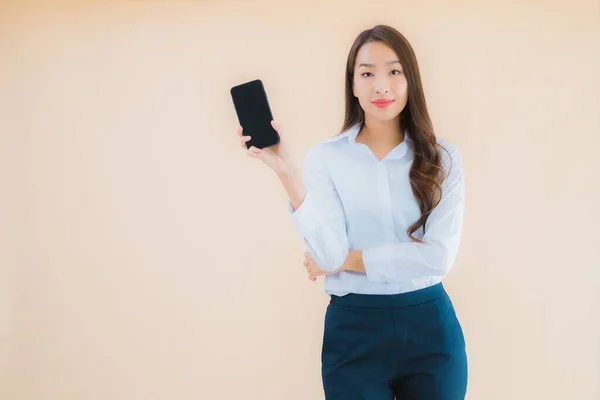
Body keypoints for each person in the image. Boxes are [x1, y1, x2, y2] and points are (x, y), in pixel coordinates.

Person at [237, 24, 468, 400]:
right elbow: (327, 256)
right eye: (367, 73)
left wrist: (349, 259)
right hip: (354, 330)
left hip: (430, 329)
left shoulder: (443, 158)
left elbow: (438, 257)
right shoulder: (325, 158)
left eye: (394, 71)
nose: (381, 86)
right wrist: (287, 171)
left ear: (411, 81)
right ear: (353, 84)